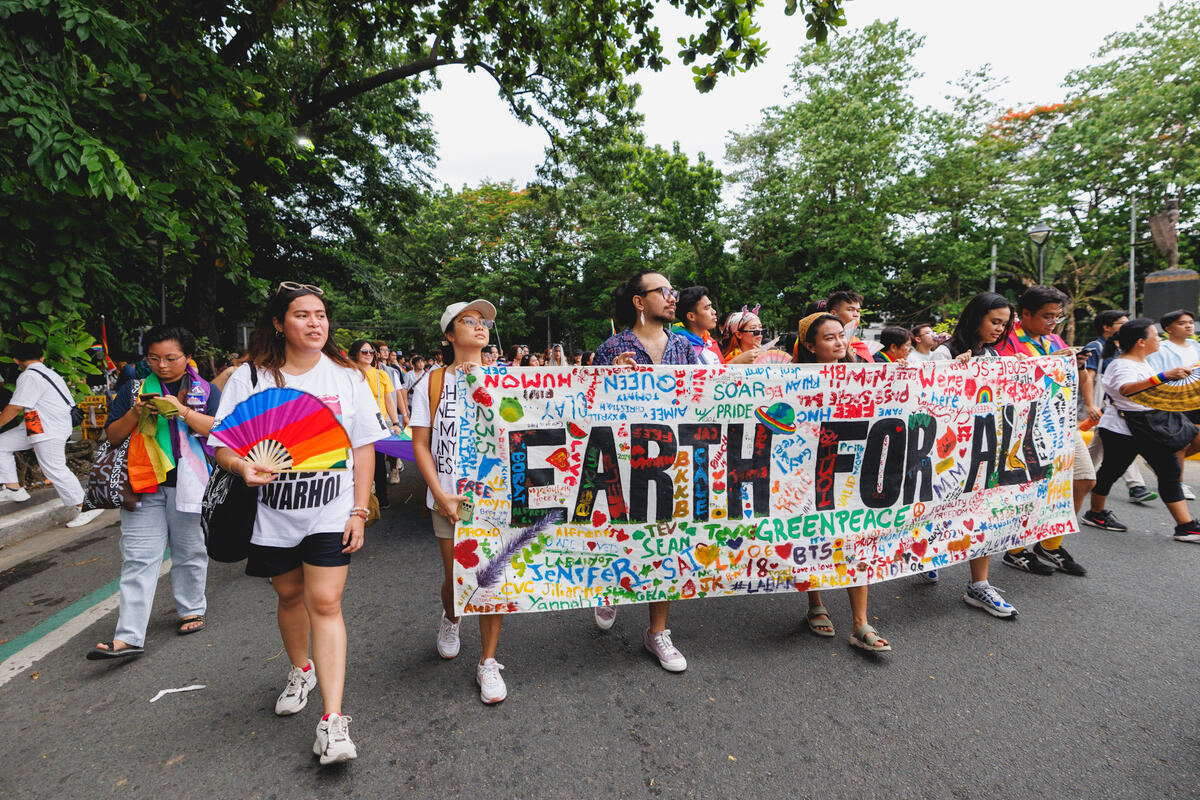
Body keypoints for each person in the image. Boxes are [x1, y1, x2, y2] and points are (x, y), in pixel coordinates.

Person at [210, 282, 387, 765]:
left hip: (331, 510)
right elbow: (222, 441)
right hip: (272, 513)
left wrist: (358, 509)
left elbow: (364, 445)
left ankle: (332, 722)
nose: (315, 323)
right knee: (289, 595)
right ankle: (300, 669)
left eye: (321, 315)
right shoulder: (251, 378)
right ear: (278, 323)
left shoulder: (347, 376)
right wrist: (239, 466)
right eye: (302, 315)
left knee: (325, 601)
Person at [85, 326, 220, 660]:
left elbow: (222, 430)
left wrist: (183, 411)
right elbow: (113, 437)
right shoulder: (132, 389)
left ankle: (191, 608)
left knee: (190, 551)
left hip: (189, 486)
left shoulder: (206, 390)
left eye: (171, 358)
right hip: (141, 486)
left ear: (188, 357)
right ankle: (129, 636)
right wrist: (137, 412)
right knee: (138, 558)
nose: (162, 365)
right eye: (154, 358)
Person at [593, 271, 698, 671]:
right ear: (640, 302)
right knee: (618, 533)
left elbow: (705, 400)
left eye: (672, 292)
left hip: (671, 464)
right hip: (620, 466)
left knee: (665, 544)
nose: (672, 298)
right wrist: (607, 381)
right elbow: (588, 410)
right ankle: (609, 586)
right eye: (663, 292)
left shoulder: (687, 349)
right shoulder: (612, 348)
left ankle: (657, 631)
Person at [410, 299, 512, 703]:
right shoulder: (433, 382)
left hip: (496, 499)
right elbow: (421, 444)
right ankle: (451, 618)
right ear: (450, 334)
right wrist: (438, 493)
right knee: (456, 578)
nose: (480, 326)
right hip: (450, 497)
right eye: (468, 321)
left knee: (491, 580)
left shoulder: (504, 378)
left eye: (483, 321)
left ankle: (488, 661)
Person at [792, 312, 892, 649]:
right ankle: (815, 604)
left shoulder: (865, 373)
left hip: (853, 470)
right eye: (829, 338)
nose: (839, 342)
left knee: (857, 537)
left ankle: (860, 623)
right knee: (811, 537)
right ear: (809, 345)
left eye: (841, 335)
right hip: (806, 471)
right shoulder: (790, 379)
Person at [924, 293, 1019, 617]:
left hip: (983, 450)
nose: (999, 329)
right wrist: (951, 373)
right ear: (975, 318)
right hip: (946, 455)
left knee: (984, 513)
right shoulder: (943, 353)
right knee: (938, 510)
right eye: (995, 321)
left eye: (1004, 324)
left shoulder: (992, 354)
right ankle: (925, 553)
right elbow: (926, 400)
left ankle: (979, 585)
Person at [995, 285, 1091, 577]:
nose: (1053, 323)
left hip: (1060, 421)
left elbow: (1064, 379)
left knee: (1084, 479)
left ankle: (1049, 544)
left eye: (1057, 317)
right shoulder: (1007, 341)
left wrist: (1073, 364)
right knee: (1028, 489)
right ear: (1025, 314)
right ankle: (1015, 550)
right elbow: (1006, 380)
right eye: (1048, 316)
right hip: (1025, 427)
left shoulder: (1054, 339)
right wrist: (1050, 364)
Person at [1081, 318, 1200, 542]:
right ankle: (1186, 526)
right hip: (1127, 429)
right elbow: (1126, 389)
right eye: (1155, 336)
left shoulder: (1141, 362)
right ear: (1140, 342)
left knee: (1114, 471)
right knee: (1164, 472)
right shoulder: (1122, 364)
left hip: (1139, 427)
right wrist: (1164, 376)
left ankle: (1095, 513)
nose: (1159, 340)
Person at [0, 342, 103, 527]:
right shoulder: (50, 373)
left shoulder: (30, 376)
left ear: (16, 360)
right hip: (39, 425)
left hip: (48, 428)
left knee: (54, 468)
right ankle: (13, 488)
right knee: (2, 443)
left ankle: (87, 506)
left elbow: (16, 406)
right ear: (41, 358)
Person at [1079, 311, 1156, 507]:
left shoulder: (1121, 350)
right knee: (1118, 451)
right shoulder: (1095, 347)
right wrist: (1090, 405)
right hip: (1105, 407)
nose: (1126, 326)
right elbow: (1088, 377)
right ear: (1106, 327)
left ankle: (1075, 478)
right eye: (1122, 323)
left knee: (1098, 452)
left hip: (1111, 410)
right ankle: (1136, 486)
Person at [1147, 309, 1200, 500]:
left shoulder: (1195, 345)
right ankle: (1178, 483)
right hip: (1174, 399)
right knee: (1181, 444)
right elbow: (1153, 373)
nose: (1189, 325)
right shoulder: (1161, 348)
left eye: (1190, 322)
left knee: (1197, 440)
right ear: (1169, 328)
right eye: (1182, 323)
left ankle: (1162, 462)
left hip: (1196, 399)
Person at [349, 340, 404, 510]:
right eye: (364, 352)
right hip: (354, 424)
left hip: (377, 424)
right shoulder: (347, 374)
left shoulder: (381, 375)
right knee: (354, 463)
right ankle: (356, 499)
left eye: (371, 352)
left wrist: (396, 422)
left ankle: (381, 497)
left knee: (378, 462)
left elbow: (389, 401)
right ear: (355, 353)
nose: (368, 355)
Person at [825, 290, 872, 361]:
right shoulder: (825, 341)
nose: (856, 315)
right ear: (833, 314)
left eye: (858, 311)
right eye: (850, 310)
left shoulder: (857, 342)